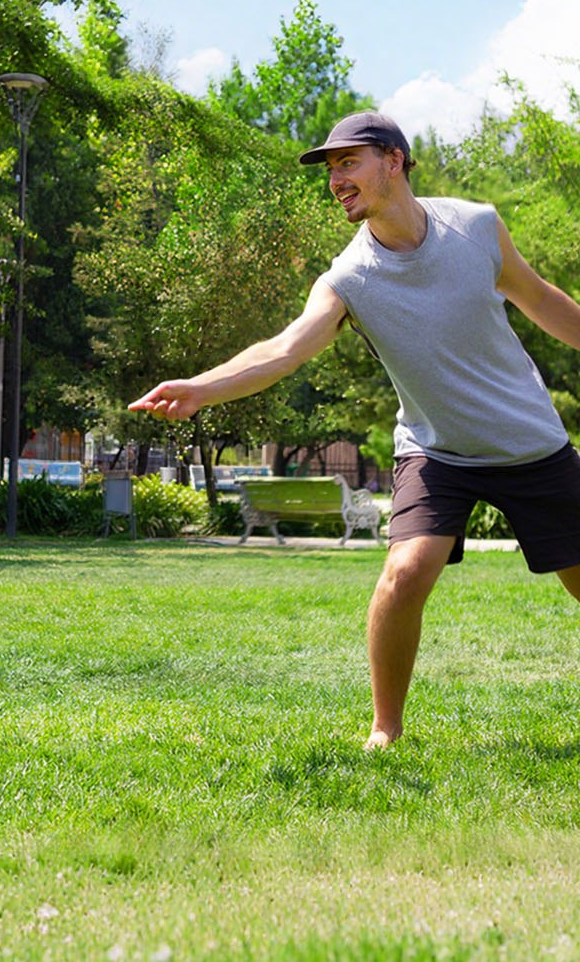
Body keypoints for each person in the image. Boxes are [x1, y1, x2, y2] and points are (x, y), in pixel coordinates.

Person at [129, 110, 580, 750]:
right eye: (331, 169)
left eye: (349, 162)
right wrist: (202, 388)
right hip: (436, 448)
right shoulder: (349, 278)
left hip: (528, 441)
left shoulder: (475, 226)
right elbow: (283, 352)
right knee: (406, 571)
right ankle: (385, 731)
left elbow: (539, 299)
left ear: (393, 160)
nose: (336, 179)